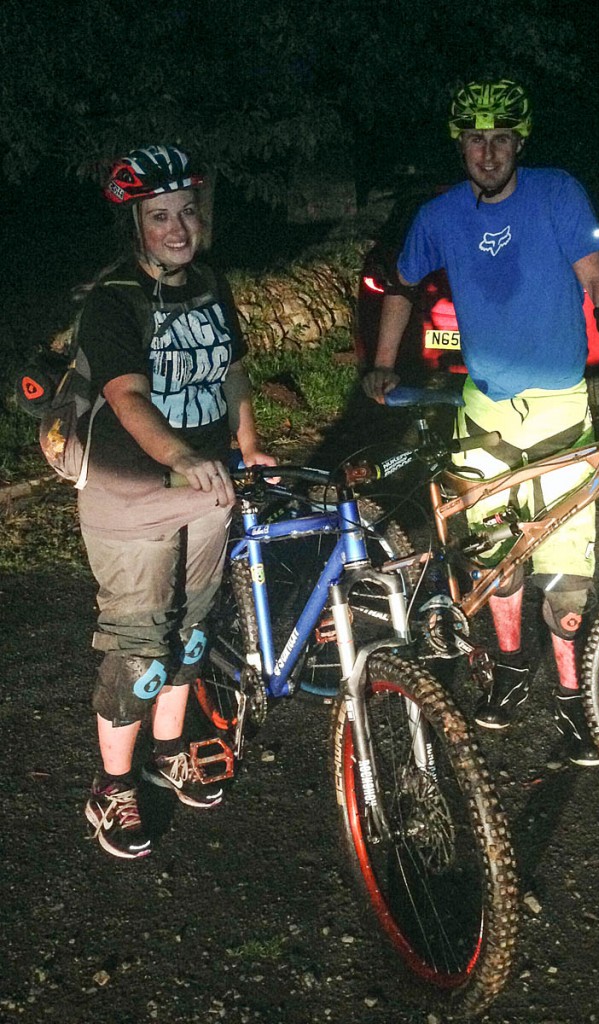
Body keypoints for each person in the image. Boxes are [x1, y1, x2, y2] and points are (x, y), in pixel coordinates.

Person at [364, 80, 599, 765]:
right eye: (473, 139)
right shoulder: (439, 214)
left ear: (519, 141)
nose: (486, 153)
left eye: (499, 139)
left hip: (559, 407)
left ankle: (575, 702)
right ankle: (512, 672)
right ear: (458, 144)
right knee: (495, 555)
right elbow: (400, 284)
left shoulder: (555, 193)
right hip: (484, 410)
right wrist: (381, 363)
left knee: (565, 571)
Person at [79, 145, 275, 858]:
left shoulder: (211, 286)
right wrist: (184, 457)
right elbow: (127, 396)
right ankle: (112, 784)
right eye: (160, 215)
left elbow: (233, 371)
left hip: (207, 487)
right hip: (131, 492)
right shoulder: (112, 301)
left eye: (187, 211)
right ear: (136, 224)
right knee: (141, 651)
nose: (177, 227)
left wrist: (246, 446)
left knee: (190, 633)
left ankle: (169, 752)